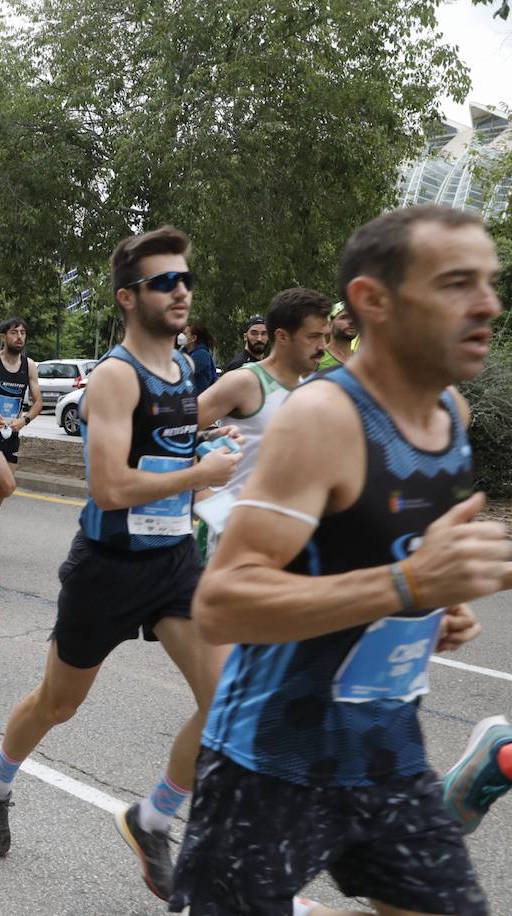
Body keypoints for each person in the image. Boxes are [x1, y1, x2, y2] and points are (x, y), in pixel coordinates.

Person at [170, 205, 508, 916]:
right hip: (270, 765)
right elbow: (224, 600)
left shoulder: (451, 414)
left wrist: (434, 602)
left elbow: (400, 558)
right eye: (456, 283)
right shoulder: (323, 417)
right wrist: (404, 584)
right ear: (372, 301)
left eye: (489, 281)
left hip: (387, 753)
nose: (488, 304)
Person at [0, 227, 240, 905]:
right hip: (109, 567)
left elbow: (170, 454)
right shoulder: (117, 376)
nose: (180, 291)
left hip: (173, 560)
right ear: (128, 297)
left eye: (185, 280)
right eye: (164, 282)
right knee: (59, 702)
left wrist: (209, 452)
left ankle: (152, 820)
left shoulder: (182, 371)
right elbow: (110, 487)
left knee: (227, 699)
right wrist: (198, 470)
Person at [193, 288, 330, 558]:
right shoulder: (244, 381)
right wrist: (203, 494)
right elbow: (173, 433)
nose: (322, 347)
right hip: (230, 541)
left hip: (283, 541)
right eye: (313, 337)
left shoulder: (309, 390)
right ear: (281, 336)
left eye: (325, 337)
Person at [0, 317, 42, 554]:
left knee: (2, 492)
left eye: (23, 333)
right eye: (14, 333)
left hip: (11, 431)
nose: (20, 337)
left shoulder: (29, 366)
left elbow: (38, 403)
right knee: (7, 484)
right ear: (4, 337)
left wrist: (24, 420)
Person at [317, 301, 357, 371]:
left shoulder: (363, 361)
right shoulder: (317, 357)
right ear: (329, 324)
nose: (352, 321)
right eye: (344, 317)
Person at [184, 322, 217, 392]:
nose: (182, 336)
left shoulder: (201, 355)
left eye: (185, 334)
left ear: (194, 338)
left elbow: (183, 372)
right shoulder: (186, 352)